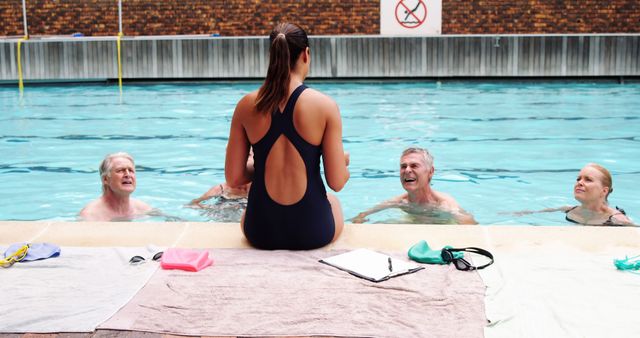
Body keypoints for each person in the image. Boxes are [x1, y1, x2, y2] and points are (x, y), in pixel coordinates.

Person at [225, 22, 350, 250]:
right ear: (306, 54)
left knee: (250, 207)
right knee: (334, 202)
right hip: (313, 233)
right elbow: (337, 182)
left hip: (259, 232)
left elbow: (234, 179)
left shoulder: (246, 105)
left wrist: (263, 164)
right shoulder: (324, 106)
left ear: (272, 55)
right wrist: (342, 161)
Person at [351, 147, 477, 225]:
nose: (407, 170)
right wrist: (360, 218)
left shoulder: (443, 204)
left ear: (430, 172)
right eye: (403, 166)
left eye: (414, 166)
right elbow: (362, 215)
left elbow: (470, 224)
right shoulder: (401, 201)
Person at [514, 163, 634, 226]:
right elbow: (538, 212)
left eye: (588, 180)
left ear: (604, 191)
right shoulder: (570, 210)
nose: (580, 183)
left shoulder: (617, 219)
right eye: (578, 179)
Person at [79, 152, 153, 221]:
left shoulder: (142, 209)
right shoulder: (90, 215)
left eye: (130, 170)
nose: (128, 175)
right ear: (105, 179)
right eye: (120, 170)